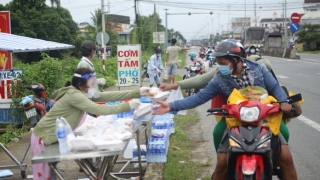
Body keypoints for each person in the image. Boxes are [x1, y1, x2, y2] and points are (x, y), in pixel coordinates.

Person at [155, 41, 297, 180]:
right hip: (235, 117)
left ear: (235, 60)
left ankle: (274, 162)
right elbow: (199, 97)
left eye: (222, 63)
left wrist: (284, 101)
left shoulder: (259, 68)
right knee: (220, 152)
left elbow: (275, 87)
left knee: (286, 154)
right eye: (218, 63)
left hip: (264, 116)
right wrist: (171, 106)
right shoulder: (219, 79)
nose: (220, 67)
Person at [31, 68, 151, 180]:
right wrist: (127, 106)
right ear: (80, 85)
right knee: (44, 175)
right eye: (91, 84)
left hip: (53, 135)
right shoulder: (75, 95)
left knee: (50, 173)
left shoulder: (80, 92)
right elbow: (99, 110)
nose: (93, 87)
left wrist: (137, 92)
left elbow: (108, 95)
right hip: (43, 136)